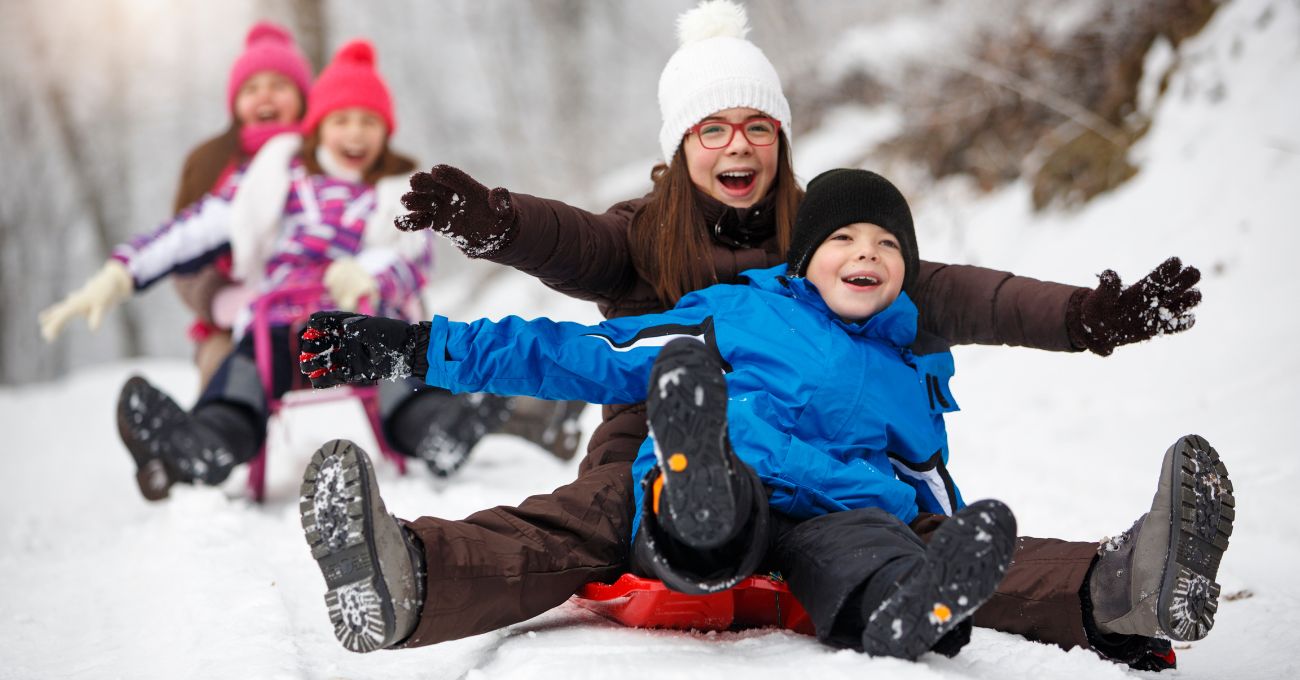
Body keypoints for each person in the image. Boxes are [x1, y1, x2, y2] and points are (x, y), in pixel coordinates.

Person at [289, 0, 1205, 669]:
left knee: (923, 535)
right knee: (596, 513)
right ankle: (409, 573)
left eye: (758, 127)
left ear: (784, 141)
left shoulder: (835, 238)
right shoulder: (653, 238)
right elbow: (574, 271)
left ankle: (1119, 589)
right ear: (682, 147)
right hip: (665, 417)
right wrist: (492, 230)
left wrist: (1088, 318)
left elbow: (973, 295)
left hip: (826, 468)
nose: (739, 147)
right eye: (715, 128)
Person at [299, 168, 1032, 659]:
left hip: (838, 511)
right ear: (805, 257)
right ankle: (695, 491)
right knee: (716, 498)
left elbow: (925, 477)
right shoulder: (739, 311)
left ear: (906, 267)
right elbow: (580, 353)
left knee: (875, 538)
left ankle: (911, 606)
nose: (865, 253)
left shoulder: (912, 369)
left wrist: (948, 547)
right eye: (842, 237)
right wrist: (417, 350)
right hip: (733, 474)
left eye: (886, 244)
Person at [36, 39, 512, 498]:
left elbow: (412, 258)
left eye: (369, 121)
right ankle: (205, 443)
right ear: (318, 125)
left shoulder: (395, 193)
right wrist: (120, 274)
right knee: (242, 378)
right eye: (341, 119)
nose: (355, 133)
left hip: (361, 327)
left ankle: (437, 428)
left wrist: (368, 272)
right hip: (278, 330)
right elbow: (193, 229)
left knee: (396, 368)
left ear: (386, 131)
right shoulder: (276, 181)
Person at [168, 21, 314, 391]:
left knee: (379, 345)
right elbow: (180, 253)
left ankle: (422, 416)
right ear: (235, 102)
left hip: (322, 307)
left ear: (301, 97)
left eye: (279, 86)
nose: (265, 96)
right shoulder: (210, 164)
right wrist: (219, 299)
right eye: (251, 88)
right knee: (227, 368)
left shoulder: (325, 157)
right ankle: (211, 440)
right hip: (234, 325)